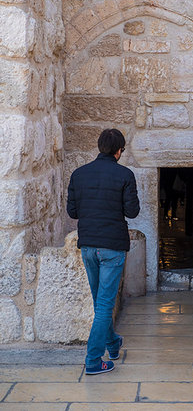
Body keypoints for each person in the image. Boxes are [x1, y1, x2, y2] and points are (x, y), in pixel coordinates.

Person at [67, 129, 140, 375]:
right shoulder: (125, 175)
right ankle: (94, 360)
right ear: (119, 151)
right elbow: (132, 212)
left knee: (101, 304)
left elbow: (73, 212)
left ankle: (112, 343)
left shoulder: (79, 174)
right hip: (112, 248)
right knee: (104, 306)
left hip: (88, 246)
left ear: (100, 147)